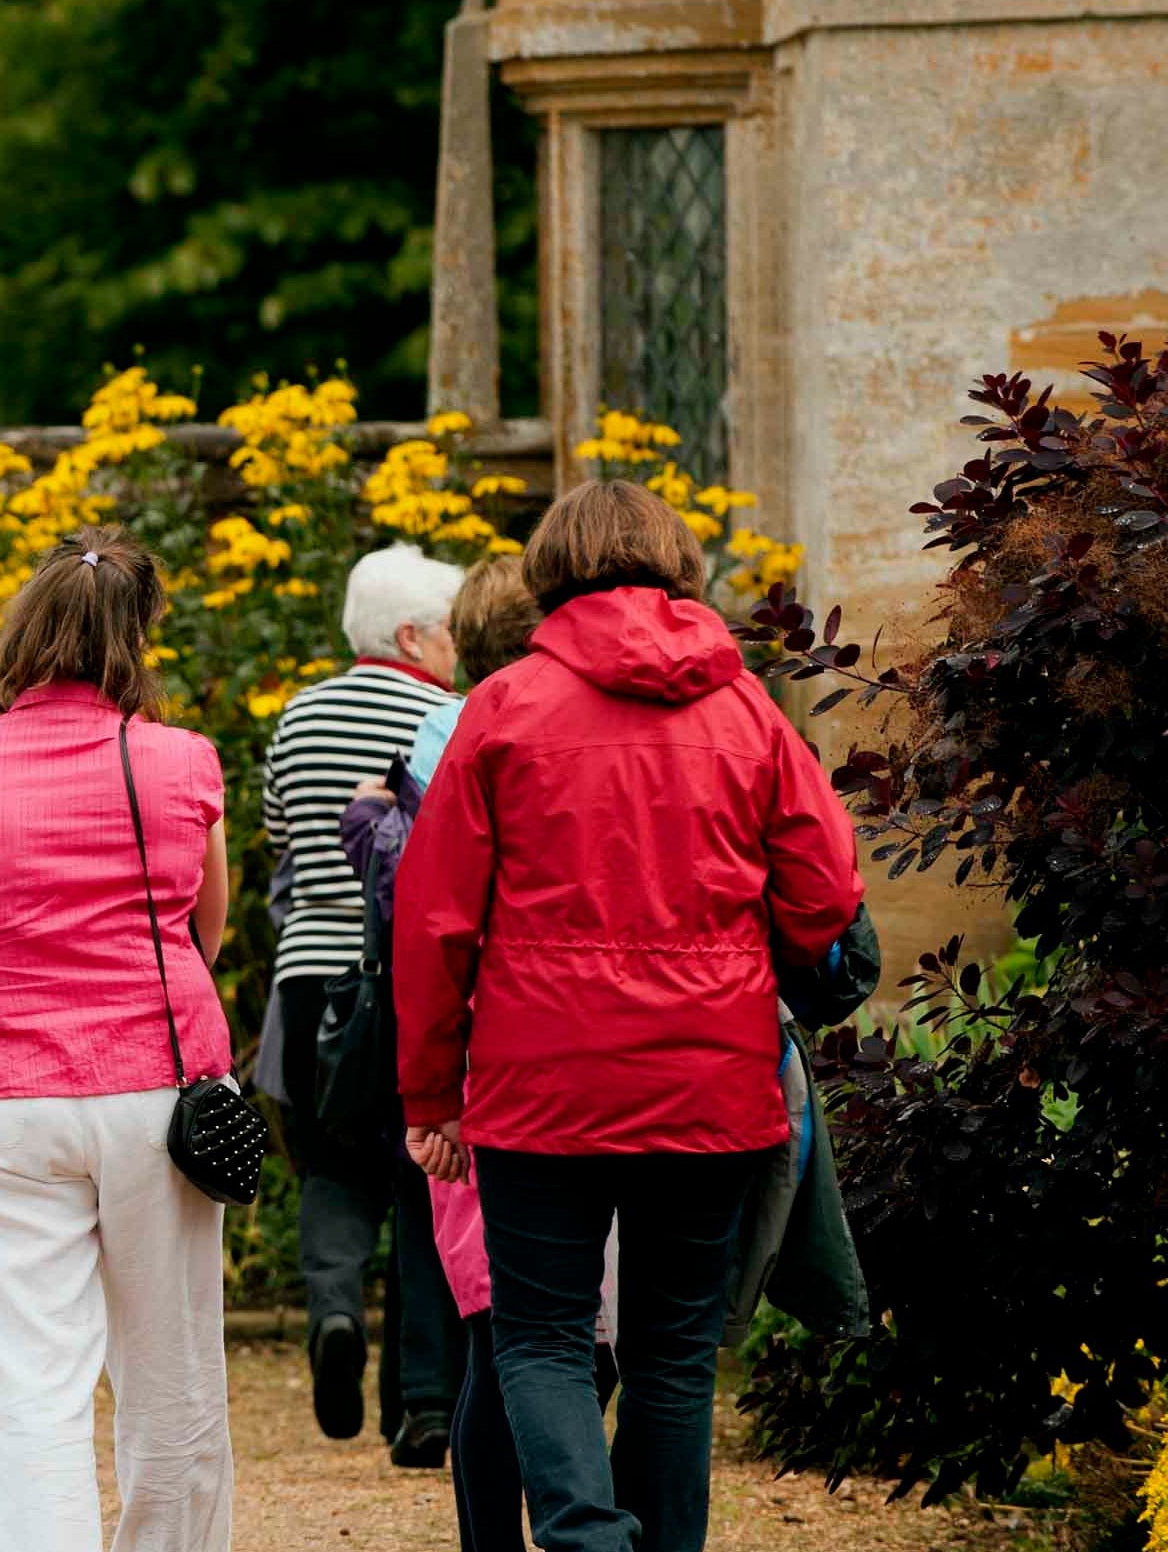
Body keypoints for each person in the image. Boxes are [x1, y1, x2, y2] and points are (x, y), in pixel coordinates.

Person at [393, 481, 864, 1552]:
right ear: (676, 567)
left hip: (539, 1081)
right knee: (671, 1355)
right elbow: (827, 889)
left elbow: (433, 921)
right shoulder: (746, 708)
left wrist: (430, 1093)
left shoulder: (503, 710)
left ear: (552, 571)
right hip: (712, 1080)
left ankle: (584, 1535)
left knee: (543, 1337)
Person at [0, 527, 235, 1552]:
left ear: (24, 637)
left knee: (35, 1381)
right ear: (134, 643)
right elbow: (204, 926)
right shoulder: (181, 761)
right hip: (154, 1084)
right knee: (170, 1367)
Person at [337, 556, 603, 1552]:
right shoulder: (503, 734)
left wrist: (428, 1098)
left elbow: (429, 921)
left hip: (487, 1062)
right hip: (560, 1064)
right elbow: (436, 913)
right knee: (557, 1337)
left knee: (503, 1337)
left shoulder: (446, 736)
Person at [256, 540, 468, 1461]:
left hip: (309, 983)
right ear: (413, 634)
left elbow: (277, 846)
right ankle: (422, 1404)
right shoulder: (444, 716)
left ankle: (335, 1312)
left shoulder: (297, 718)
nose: (456, 650)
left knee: (332, 1169)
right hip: (401, 981)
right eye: (450, 633)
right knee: (428, 1177)